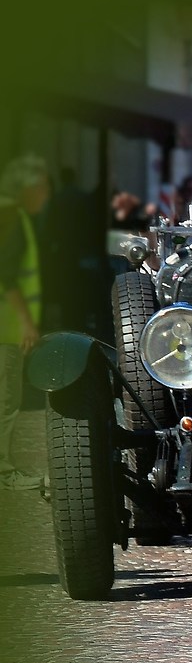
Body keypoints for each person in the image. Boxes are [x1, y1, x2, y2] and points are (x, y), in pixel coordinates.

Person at [0, 154, 49, 490]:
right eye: (43, 188)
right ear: (27, 189)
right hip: (5, 329)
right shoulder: (11, 216)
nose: (46, 196)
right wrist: (26, 323)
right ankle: (4, 472)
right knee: (6, 402)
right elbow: (7, 275)